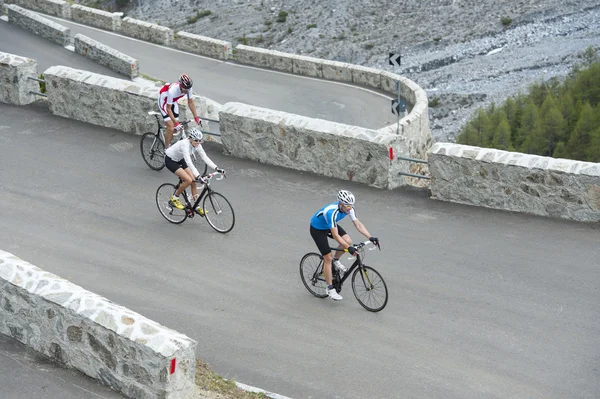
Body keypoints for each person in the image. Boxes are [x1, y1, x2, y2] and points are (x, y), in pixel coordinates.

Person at [309, 190, 379, 301]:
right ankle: (330, 288)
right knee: (327, 257)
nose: (349, 208)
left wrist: (370, 237)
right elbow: (336, 236)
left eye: (351, 206)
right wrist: (348, 248)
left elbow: (358, 224)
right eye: (347, 206)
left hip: (329, 226)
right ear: (340, 204)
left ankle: (336, 260)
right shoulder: (331, 212)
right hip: (317, 229)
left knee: (348, 240)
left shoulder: (349, 209)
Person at [164, 128, 225, 214]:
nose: (198, 142)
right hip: (170, 160)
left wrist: (217, 168)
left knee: (193, 182)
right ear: (190, 138)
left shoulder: (197, 145)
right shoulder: (185, 144)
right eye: (196, 140)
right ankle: (175, 198)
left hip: (180, 159)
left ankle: (196, 206)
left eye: (200, 141)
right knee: (188, 180)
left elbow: (205, 157)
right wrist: (198, 176)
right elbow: (189, 162)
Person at [158, 73, 202, 148]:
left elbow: (190, 103)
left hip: (173, 101)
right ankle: (166, 150)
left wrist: (196, 117)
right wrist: (175, 123)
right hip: (164, 102)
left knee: (175, 129)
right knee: (171, 127)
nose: (188, 91)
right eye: (186, 90)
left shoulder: (188, 88)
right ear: (181, 86)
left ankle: (168, 139)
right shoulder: (173, 91)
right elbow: (168, 109)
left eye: (189, 89)